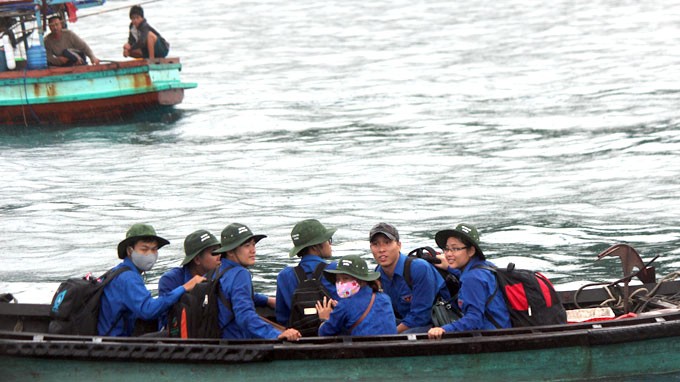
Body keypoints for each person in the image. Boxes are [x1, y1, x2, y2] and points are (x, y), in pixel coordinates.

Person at [98, 223, 205, 337]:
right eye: (144, 249)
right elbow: (148, 310)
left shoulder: (120, 271)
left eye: (154, 249)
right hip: (113, 343)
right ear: (130, 251)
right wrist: (184, 288)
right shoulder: (128, 278)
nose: (150, 254)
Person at [212, 223, 300, 341]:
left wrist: (266, 300)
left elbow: (232, 293)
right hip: (235, 343)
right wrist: (275, 334)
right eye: (247, 246)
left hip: (217, 338)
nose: (253, 250)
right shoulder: (240, 274)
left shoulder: (216, 270)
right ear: (230, 252)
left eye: (253, 244)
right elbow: (244, 315)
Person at [427, 223, 511, 340]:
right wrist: (449, 267)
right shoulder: (485, 266)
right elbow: (464, 273)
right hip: (504, 330)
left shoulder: (472, 279)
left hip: (491, 339)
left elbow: (474, 320)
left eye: (455, 249)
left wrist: (444, 329)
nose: (448, 254)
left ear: (471, 251)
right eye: (446, 249)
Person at [370, 222, 450, 334]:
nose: (381, 249)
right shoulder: (378, 273)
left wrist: (390, 333)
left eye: (387, 243)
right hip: (406, 320)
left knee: (399, 337)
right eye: (376, 244)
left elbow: (421, 316)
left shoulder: (419, 268)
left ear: (399, 245)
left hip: (434, 323)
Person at [275, 219, 339, 326]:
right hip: (333, 336)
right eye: (328, 239)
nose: (330, 244)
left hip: (299, 338)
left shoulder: (284, 276)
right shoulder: (336, 270)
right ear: (315, 246)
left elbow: (282, 318)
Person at [316, 255, 397, 336]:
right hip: (391, 347)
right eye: (338, 279)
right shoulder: (385, 298)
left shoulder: (345, 304)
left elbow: (324, 333)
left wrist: (325, 318)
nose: (341, 283)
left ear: (361, 281)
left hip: (361, 348)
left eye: (345, 278)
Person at [157, 229, 222, 329]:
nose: (220, 257)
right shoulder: (170, 280)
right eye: (214, 252)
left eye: (220, 251)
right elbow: (166, 319)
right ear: (197, 259)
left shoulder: (221, 277)